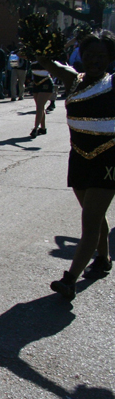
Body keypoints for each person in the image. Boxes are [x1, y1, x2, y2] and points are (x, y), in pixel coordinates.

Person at [35, 30, 115, 299]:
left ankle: (69, 279)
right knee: (93, 214)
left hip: (109, 160)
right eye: (90, 55)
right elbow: (50, 64)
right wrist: (37, 46)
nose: (95, 60)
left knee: (90, 219)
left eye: (101, 56)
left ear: (110, 58)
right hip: (79, 157)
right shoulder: (73, 80)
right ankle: (103, 260)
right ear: (81, 55)